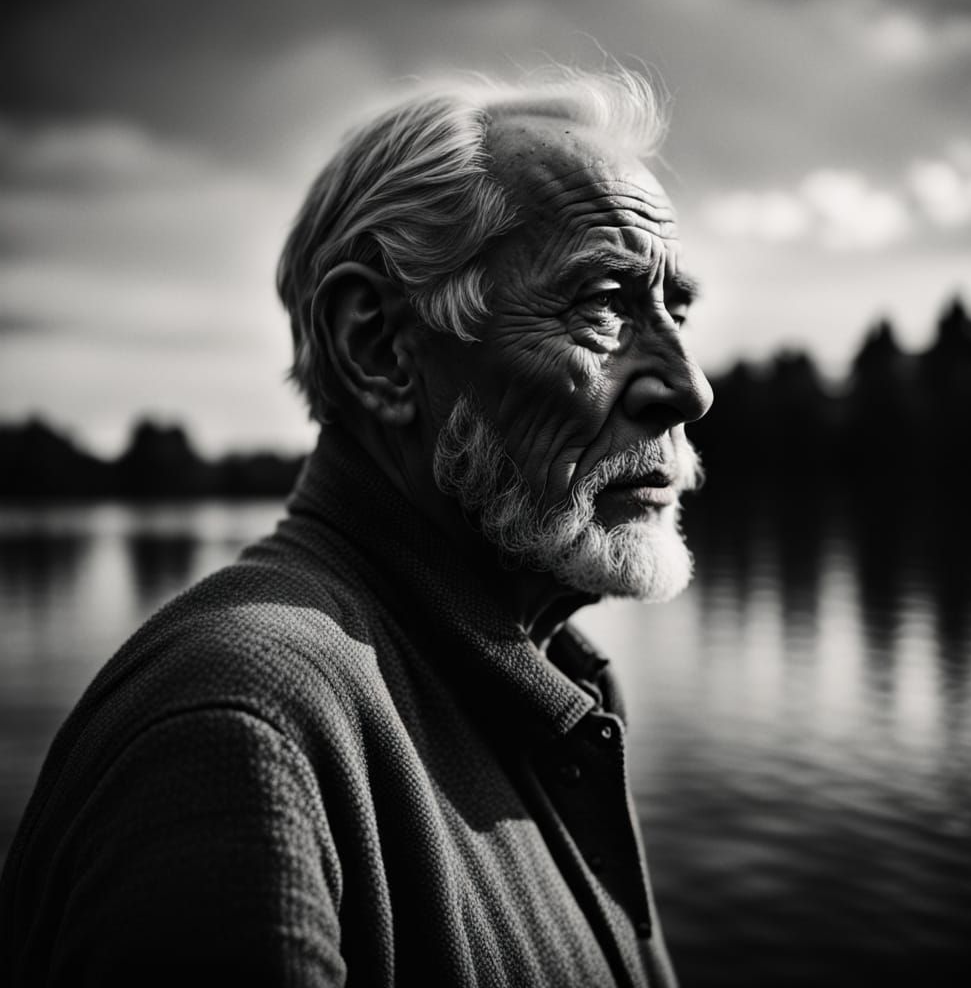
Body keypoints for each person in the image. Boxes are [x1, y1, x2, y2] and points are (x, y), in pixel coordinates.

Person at [0, 67, 712, 987]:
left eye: (676, 310)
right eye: (603, 302)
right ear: (377, 347)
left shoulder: (542, 684)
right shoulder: (242, 731)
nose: (689, 387)